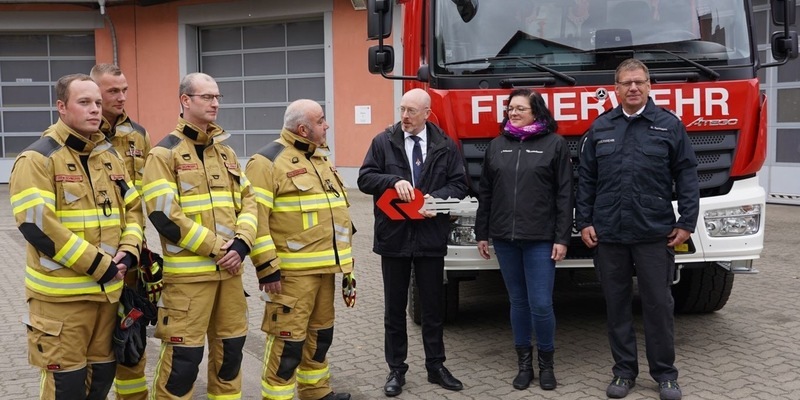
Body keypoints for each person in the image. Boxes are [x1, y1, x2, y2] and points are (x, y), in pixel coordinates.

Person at [10, 73, 143, 399]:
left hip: (107, 298)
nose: (95, 109)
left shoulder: (109, 157)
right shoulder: (37, 159)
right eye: (84, 102)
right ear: (62, 107)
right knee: (66, 389)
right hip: (61, 304)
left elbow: (134, 210)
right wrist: (102, 265)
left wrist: (129, 251)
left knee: (99, 383)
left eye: (98, 102)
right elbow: (37, 226)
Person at [576, 58, 699, 400]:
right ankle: (624, 372)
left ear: (649, 86)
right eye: (626, 83)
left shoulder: (668, 126)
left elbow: (687, 175)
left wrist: (687, 222)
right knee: (616, 305)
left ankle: (665, 375)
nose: (633, 88)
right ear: (615, 89)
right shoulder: (600, 128)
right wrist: (583, 221)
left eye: (639, 82)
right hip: (610, 234)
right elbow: (585, 179)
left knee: (658, 306)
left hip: (653, 232)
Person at [141, 72, 257, 399]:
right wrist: (221, 248)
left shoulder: (227, 154)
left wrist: (242, 243)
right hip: (189, 283)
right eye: (207, 97)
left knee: (230, 355)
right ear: (185, 100)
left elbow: (250, 202)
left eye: (217, 97)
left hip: (230, 278)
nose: (215, 103)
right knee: (183, 364)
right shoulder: (163, 154)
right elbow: (164, 215)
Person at [358, 88, 468, 397]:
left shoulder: (445, 145)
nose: (404, 116)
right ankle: (396, 370)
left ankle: (436, 367)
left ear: (426, 114)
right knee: (394, 310)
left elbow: (459, 183)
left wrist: (439, 198)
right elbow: (366, 178)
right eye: (402, 109)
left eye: (411, 111)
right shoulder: (384, 141)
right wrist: (392, 181)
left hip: (430, 238)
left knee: (433, 308)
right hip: (394, 239)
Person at [245, 99, 353, 400]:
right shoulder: (266, 162)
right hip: (291, 276)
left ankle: (316, 392)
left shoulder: (318, 159)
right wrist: (267, 268)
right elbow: (256, 221)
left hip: (325, 271)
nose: (327, 125)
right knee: (287, 344)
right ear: (304, 129)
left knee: (320, 337)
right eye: (321, 121)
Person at [474, 88, 573, 391]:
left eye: (520, 109)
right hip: (505, 238)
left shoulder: (555, 145)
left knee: (541, 304)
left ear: (536, 112)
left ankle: (546, 364)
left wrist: (562, 237)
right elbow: (486, 194)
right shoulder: (496, 146)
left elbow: (565, 194)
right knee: (517, 302)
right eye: (510, 108)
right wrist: (482, 233)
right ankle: (523, 365)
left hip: (540, 239)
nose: (513, 113)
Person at [90, 62, 155, 400]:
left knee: (132, 339)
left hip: (132, 257)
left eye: (124, 90)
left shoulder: (138, 134)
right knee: (94, 351)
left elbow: (141, 196)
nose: (122, 97)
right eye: (113, 91)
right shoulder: (78, 133)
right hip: (92, 264)